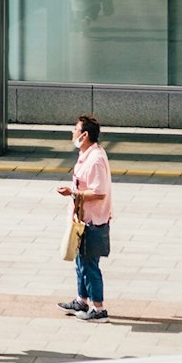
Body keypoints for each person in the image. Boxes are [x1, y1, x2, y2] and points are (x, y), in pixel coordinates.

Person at [57, 113, 113, 321]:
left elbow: (99, 192)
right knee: (81, 262)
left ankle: (98, 309)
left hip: (92, 221)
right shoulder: (88, 154)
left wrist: (73, 194)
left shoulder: (96, 160)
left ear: (85, 135)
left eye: (76, 129)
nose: (73, 132)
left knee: (90, 265)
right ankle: (82, 300)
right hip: (82, 220)